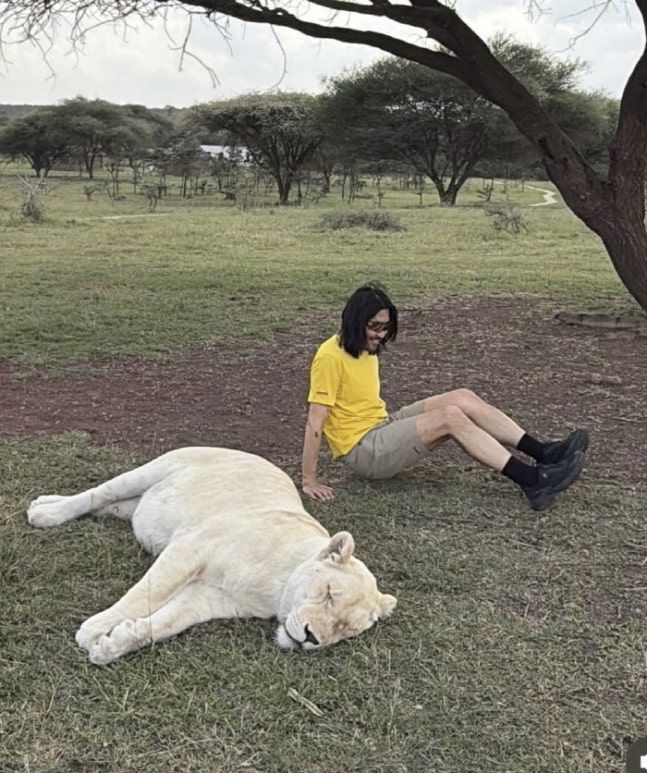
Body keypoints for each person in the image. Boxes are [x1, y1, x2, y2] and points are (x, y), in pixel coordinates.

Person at [301, 283, 587, 512]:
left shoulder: (364, 347)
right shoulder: (330, 357)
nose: (382, 334)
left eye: (385, 327)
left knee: (461, 398)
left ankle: (545, 454)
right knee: (449, 418)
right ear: (355, 322)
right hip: (363, 450)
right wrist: (309, 480)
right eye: (375, 326)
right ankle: (532, 481)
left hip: (382, 425)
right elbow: (315, 421)